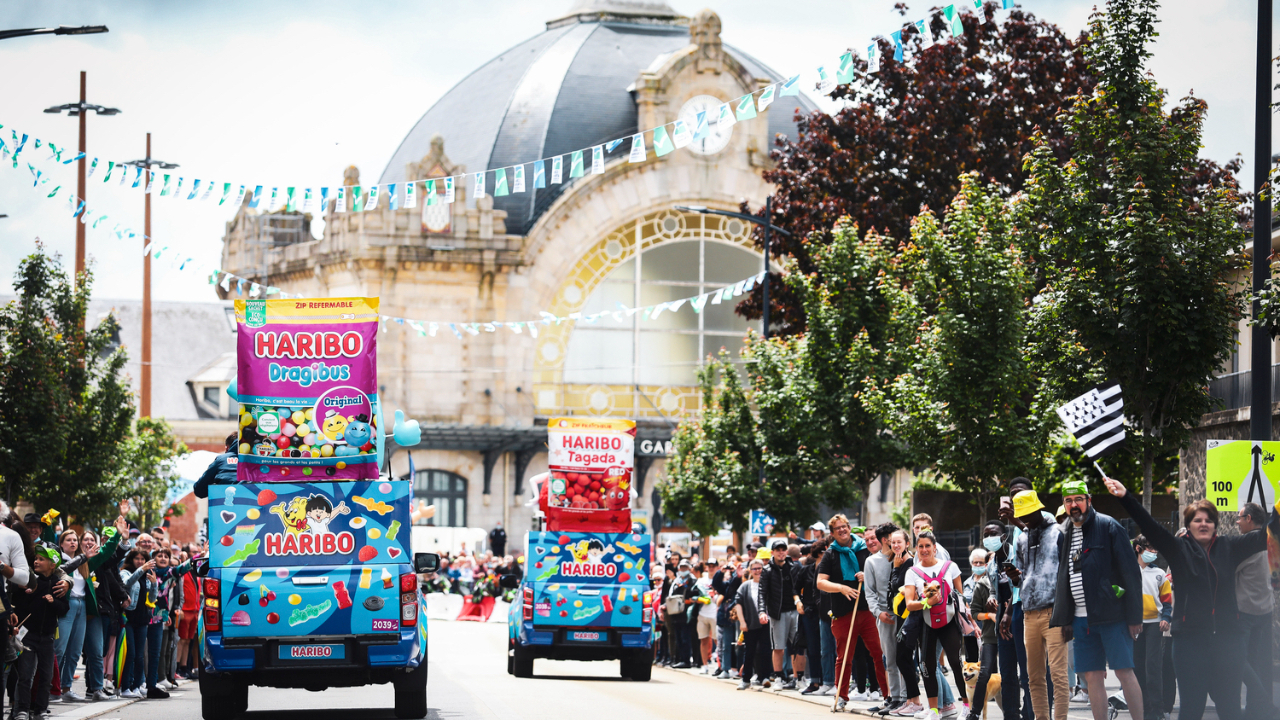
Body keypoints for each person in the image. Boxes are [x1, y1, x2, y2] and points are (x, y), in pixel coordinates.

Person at [1106, 475, 1278, 720]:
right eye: (1198, 520)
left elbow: (1268, 534)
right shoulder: (1178, 549)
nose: (1204, 524)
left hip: (1229, 640)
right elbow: (1149, 524)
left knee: (1230, 707)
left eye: (1209, 520)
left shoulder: (1230, 546)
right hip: (1189, 642)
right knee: (1191, 708)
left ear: (1215, 525)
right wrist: (1125, 496)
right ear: (1189, 525)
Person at [1051, 479, 1144, 720]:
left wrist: (1134, 616)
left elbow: (1131, 573)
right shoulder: (1064, 534)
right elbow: (1063, 577)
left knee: (1124, 672)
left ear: (1088, 501)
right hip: (1081, 621)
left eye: (1078, 500)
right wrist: (1066, 618)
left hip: (1112, 616)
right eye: (1068, 500)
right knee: (1091, 676)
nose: (1074, 505)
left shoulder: (1109, 526)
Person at [817, 514, 889, 712]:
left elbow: (883, 568)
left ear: (849, 527)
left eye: (845, 526)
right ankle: (841, 696)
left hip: (867, 611)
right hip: (842, 613)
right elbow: (820, 582)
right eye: (837, 528)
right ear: (832, 533)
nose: (842, 530)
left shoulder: (865, 548)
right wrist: (841, 588)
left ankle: (888, 695)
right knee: (844, 657)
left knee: (879, 653)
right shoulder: (830, 554)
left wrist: (868, 576)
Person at [1008, 488, 1068, 720]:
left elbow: (1067, 574)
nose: (1023, 520)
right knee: (1033, 676)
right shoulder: (1022, 538)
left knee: (1059, 675)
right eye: (1020, 516)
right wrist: (1016, 578)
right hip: (1028, 613)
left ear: (1038, 509)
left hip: (1055, 611)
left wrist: (1067, 615)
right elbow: (1022, 575)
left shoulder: (1059, 533)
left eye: (1027, 515)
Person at [900, 531, 968, 720]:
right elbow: (909, 604)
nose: (924, 550)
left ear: (935, 548)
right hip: (926, 623)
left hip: (950, 622)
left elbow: (961, 597)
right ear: (916, 549)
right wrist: (926, 603)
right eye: (920, 546)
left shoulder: (950, 567)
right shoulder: (912, 573)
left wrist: (970, 623)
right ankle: (934, 711)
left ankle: (967, 706)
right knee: (927, 666)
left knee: (956, 663)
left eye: (927, 546)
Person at [14, 545, 70, 720]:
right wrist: (28, 593)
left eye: (41, 559)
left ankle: (40, 710)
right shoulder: (30, 580)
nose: (36, 561)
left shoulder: (58, 584)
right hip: (27, 636)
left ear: (52, 564)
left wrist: (53, 602)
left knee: (46, 676)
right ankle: (21, 710)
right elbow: (17, 602)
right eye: (36, 558)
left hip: (47, 637)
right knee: (25, 674)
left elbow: (64, 609)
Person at [996, 479, 1036, 720]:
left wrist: (1014, 519)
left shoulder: (1043, 522)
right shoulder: (1010, 532)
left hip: (1034, 608)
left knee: (1029, 670)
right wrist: (1007, 611)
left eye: (1020, 494)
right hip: (1013, 606)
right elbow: (1012, 579)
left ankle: (1032, 714)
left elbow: (1036, 536)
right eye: (1012, 495)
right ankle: (1011, 714)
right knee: (1007, 669)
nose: (1015, 498)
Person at [1234, 502, 1277, 720]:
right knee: (1261, 663)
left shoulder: (1245, 545)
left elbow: (1228, 573)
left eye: (1239, 518)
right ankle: (1256, 708)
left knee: (1238, 659)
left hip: (1244, 613)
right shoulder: (1272, 544)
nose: (1237, 523)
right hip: (1265, 610)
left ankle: (1262, 705)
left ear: (1249, 519)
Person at [865, 523, 905, 714]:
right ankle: (894, 698)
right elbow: (870, 592)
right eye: (892, 539)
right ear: (884, 540)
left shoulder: (907, 558)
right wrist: (878, 612)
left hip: (905, 615)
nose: (896, 542)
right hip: (884, 615)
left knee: (905, 658)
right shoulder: (871, 562)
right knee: (889, 659)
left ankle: (907, 698)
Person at [1133, 536, 1171, 720]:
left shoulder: (1160, 574)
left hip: (1155, 624)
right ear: (1139, 548)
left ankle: (1157, 710)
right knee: (1138, 667)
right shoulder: (1129, 571)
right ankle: (1144, 709)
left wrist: (1166, 618)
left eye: (1155, 549)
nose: (1154, 552)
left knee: (1153, 668)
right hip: (1135, 625)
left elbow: (1166, 601)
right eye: (1150, 548)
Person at [757, 538, 799, 690]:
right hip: (777, 613)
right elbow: (761, 593)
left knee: (797, 646)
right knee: (778, 647)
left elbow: (799, 587)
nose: (781, 552)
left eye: (783, 549)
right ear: (773, 552)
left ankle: (797, 678)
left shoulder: (794, 567)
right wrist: (762, 611)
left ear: (786, 552)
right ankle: (779, 677)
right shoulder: (767, 570)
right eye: (778, 550)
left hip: (795, 610)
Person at [964, 549, 1000, 720]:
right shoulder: (982, 584)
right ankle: (974, 712)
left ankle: (1015, 712)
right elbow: (974, 612)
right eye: (990, 562)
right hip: (989, 636)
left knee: (1010, 675)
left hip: (1010, 636)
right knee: (984, 672)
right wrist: (990, 615)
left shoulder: (1011, 580)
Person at [735, 559, 770, 690]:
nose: (757, 571)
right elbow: (738, 603)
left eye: (760, 568)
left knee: (765, 650)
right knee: (749, 651)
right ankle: (745, 679)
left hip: (766, 623)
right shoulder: (745, 586)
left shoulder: (767, 584)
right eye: (754, 569)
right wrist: (742, 622)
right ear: (750, 570)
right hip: (750, 624)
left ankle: (765, 676)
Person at [711, 556, 742, 678]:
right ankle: (725, 668)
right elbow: (716, 584)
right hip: (727, 617)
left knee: (740, 645)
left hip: (740, 617)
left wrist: (737, 574)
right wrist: (721, 572)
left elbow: (737, 584)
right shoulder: (726, 586)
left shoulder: (741, 581)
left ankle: (739, 669)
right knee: (726, 645)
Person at [193, 434, 240, 499]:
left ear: (226, 448)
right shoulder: (254, 460)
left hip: (222, 505)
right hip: (251, 503)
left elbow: (199, 489)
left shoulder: (220, 460)